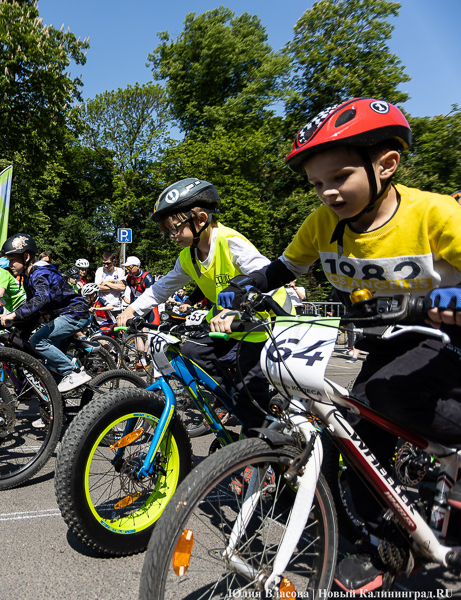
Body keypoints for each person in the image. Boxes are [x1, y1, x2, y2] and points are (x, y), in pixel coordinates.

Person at [216, 98, 461, 594]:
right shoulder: (322, 224)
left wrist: (451, 298)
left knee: (390, 402)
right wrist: (245, 289)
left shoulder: (434, 213)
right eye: (316, 184)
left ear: (386, 164)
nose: (327, 192)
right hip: (390, 343)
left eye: (339, 177)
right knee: (353, 434)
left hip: (449, 340)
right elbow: (283, 269)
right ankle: (380, 541)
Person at [116, 178, 291, 435]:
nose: (171, 236)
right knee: (191, 351)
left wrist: (235, 310)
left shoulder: (231, 242)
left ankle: (261, 450)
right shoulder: (188, 256)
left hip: (265, 326)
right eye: (167, 232)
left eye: (174, 229)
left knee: (251, 394)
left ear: (200, 219)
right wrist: (132, 310)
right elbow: (162, 287)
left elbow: (269, 278)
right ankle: (235, 402)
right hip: (226, 326)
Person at [0, 234, 92, 394]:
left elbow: (41, 299)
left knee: (38, 340)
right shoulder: (28, 278)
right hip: (63, 317)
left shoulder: (39, 273)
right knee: (50, 371)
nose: (9, 264)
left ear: (26, 257)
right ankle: (55, 414)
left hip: (74, 313)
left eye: (12, 259)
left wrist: (12, 316)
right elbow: (32, 308)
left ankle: (73, 372)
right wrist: (15, 321)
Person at [123, 256, 160, 324]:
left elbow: (150, 297)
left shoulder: (147, 278)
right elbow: (132, 292)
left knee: (154, 327)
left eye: (129, 267)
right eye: (126, 268)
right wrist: (131, 304)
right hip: (137, 304)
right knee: (132, 326)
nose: (127, 270)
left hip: (149, 305)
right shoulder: (129, 277)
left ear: (137, 266)